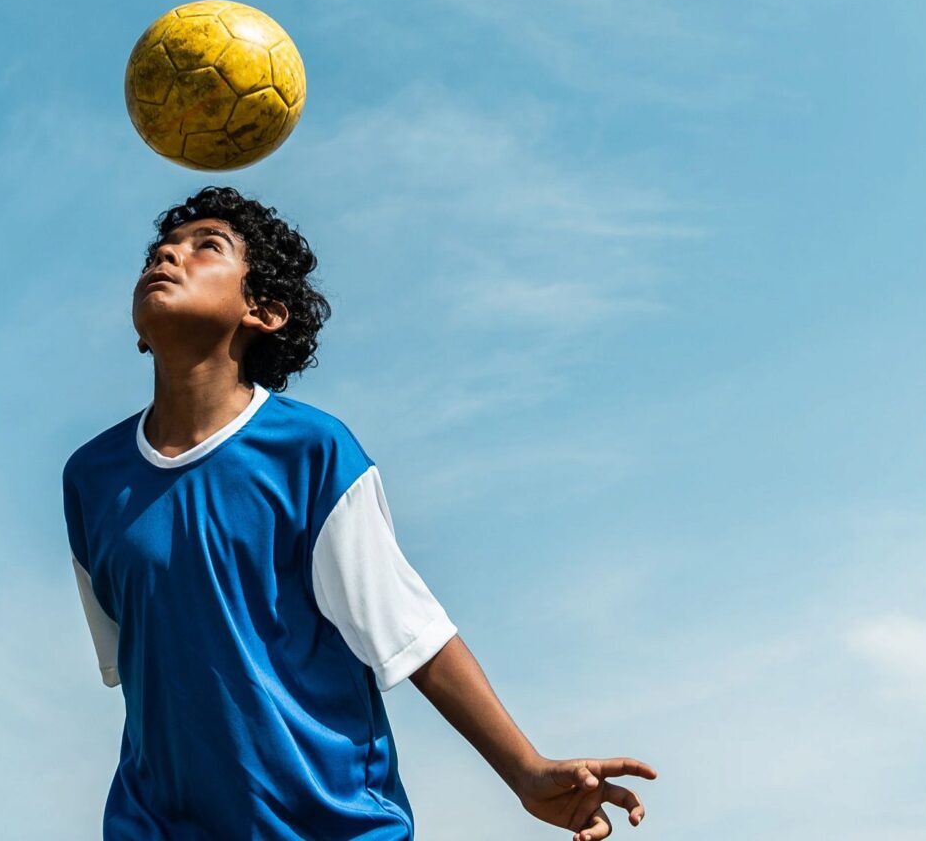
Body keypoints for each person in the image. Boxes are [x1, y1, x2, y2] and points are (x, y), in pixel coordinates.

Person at [62, 185, 656, 840]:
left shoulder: (313, 453)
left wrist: (524, 770)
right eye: (160, 251)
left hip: (329, 825)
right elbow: (139, 666)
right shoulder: (91, 479)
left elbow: (413, 636)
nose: (168, 259)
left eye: (207, 248)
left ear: (262, 310)